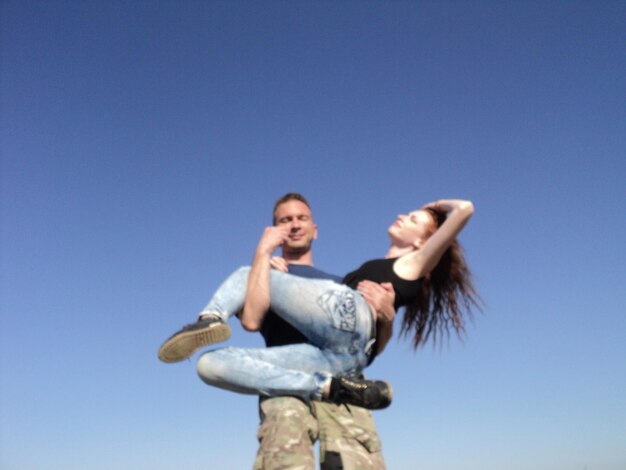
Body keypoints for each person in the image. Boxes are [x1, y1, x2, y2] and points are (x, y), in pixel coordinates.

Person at [159, 197, 480, 410]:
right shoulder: (358, 276)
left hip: (351, 324)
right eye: (286, 220)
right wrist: (267, 263)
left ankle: (211, 317)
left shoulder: (412, 264)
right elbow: (368, 346)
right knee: (209, 365)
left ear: (422, 242)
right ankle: (331, 387)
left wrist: (436, 206)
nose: (401, 216)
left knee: (245, 273)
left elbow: (463, 209)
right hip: (343, 362)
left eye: (412, 219)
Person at [251, 193, 389, 469]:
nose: (294, 224)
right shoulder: (263, 277)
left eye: (302, 218)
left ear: (315, 230)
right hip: (286, 382)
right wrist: (261, 257)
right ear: (274, 231)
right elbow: (251, 320)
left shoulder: (343, 285)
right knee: (284, 461)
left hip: (343, 384)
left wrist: (387, 318)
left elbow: (368, 350)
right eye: (285, 220)